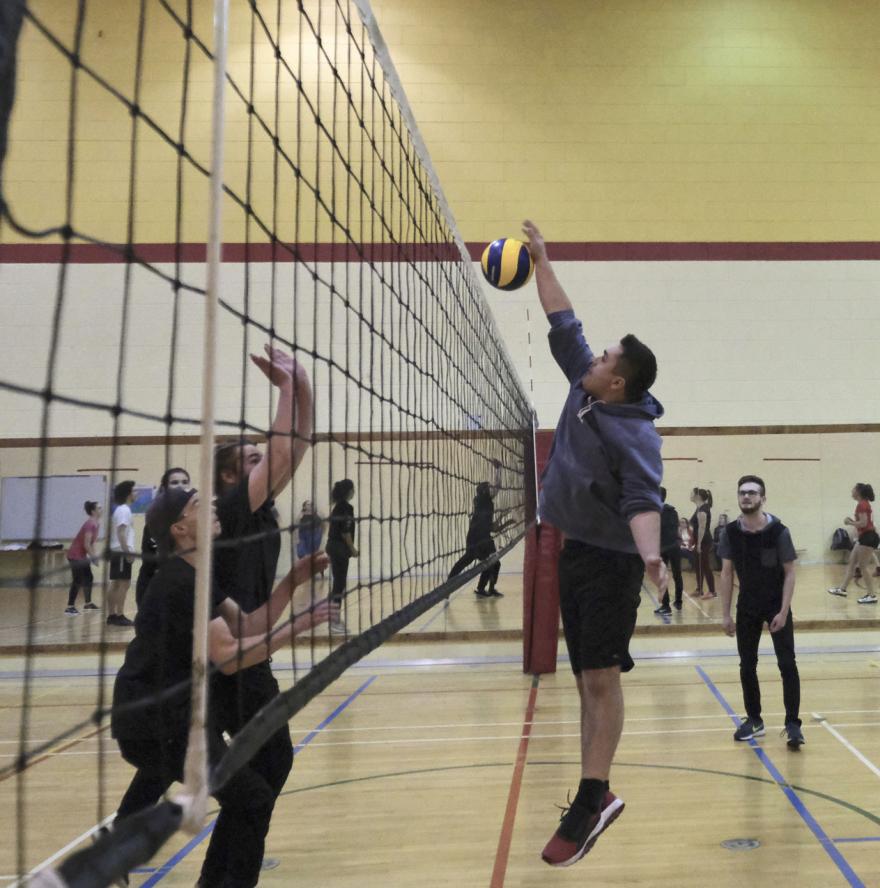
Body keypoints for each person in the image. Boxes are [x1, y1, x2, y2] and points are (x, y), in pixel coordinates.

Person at [522, 220, 666, 867]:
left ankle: (594, 794)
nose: (594, 358)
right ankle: (592, 792)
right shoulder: (587, 385)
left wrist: (654, 556)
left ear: (618, 384)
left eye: (606, 360)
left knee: (601, 680)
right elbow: (563, 320)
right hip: (574, 548)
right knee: (586, 679)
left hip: (611, 564)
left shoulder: (634, 433)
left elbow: (644, 500)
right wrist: (542, 260)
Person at [111, 487, 335, 888]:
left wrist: (290, 584)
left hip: (178, 716)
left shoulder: (198, 575)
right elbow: (230, 655)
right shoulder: (180, 582)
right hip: (153, 721)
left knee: (249, 798)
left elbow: (247, 626)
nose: (212, 505)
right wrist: (299, 625)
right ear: (180, 528)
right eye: (198, 505)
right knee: (251, 800)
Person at [211, 344, 313, 851]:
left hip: (250, 650)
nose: (265, 463)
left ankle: (233, 860)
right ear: (231, 478)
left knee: (268, 767)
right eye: (249, 460)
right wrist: (287, 388)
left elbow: (297, 446)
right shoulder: (232, 510)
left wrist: (304, 385)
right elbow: (278, 453)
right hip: (221, 659)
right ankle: (231, 864)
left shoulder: (263, 512)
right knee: (261, 770)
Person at [718, 475, 804, 750]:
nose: (746, 497)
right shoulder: (730, 532)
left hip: (776, 605)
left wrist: (783, 609)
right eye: (742, 492)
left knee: (787, 664)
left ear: (763, 498)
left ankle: (793, 724)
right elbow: (726, 572)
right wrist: (725, 614)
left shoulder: (779, 531)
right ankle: (754, 719)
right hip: (748, 605)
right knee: (747, 664)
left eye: (752, 493)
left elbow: (790, 573)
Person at [448, 460, 507, 597]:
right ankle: (448, 587)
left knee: (494, 563)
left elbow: (490, 526)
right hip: (476, 539)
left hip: (485, 537)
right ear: (484, 491)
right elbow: (497, 486)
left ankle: (485, 589)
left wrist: (502, 521)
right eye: (488, 487)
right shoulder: (482, 500)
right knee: (466, 561)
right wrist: (498, 470)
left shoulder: (486, 503)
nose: (492, 488)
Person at [134, 467, 191, 609]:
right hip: (154, 585)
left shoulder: (196, 517)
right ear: (164, 487)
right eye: (174, 482)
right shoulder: (156, 518)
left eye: (184, 482)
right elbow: (150, 560)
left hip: (186, 586)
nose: (180, 486)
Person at [828, 483, 878, 604]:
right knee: (852, 563)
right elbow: (864, 523)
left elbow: (863, 523)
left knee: (863, 567)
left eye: (853, 489)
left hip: (868, 537)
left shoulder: (862, 504)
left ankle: (871, 595)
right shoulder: (863, 503)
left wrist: (849, 522)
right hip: (864, 537)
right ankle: (842, 589)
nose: (852, 491)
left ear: (858, 492)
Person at [326, 479, 358, 633]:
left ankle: (333, 615)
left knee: (338, 584)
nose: (354, 492)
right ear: (348, 492)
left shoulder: (338, 507)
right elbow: (345, 531)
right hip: (339, 548)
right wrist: (352, 549)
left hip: (333, 547)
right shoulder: (346, 508)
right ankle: (334, 621)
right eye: (353, 489)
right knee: (339, 584)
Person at [108, 480, 137, 627]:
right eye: (134, 490)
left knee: (116, 584)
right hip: (121, 553)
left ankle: (112, 615)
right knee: (123, 585)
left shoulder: (121, 510)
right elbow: (120, 532)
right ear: (128, 494)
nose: (136, 493)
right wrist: (127, 553)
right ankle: (118, 615)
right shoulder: (124, 510)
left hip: (117, 552)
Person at [65, 501, 102, 615]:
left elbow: (91, 543)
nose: (101, 510)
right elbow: (86, 544)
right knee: (77, 580)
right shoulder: (90, 524)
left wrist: (93, 556)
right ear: (93, 511)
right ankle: (70, 607)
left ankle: (88, 603)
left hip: (82, 556)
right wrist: (94, 557)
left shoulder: (96, 524)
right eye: (99, 508)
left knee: (89, 577)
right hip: (74, 555)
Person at [653, 487, 682, 615]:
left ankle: (669, 605)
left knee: (666, 576)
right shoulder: (672, 511)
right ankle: (675, 602)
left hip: (665, 547)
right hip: (673, 546)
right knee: (676, 575)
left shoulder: (659, 512)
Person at [690, 487, 716, 599]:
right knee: (698, 565)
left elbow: (702, 528)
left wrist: (699, 544)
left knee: (705, 566)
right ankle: (699, 589)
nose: (690, 495)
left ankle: (712, 591)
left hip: (704, 541)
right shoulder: (699, 508)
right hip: (698, 540)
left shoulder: (703, 510)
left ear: (698, 496)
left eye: (692, 493)